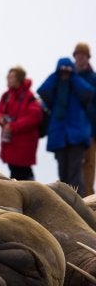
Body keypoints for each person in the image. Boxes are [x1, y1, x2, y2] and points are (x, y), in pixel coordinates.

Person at [37, 57, 95, 196]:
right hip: (59, 136)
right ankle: (66, 203)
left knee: (75, 172)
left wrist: (73, 75)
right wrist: (56, 73)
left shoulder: (78, 89)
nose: (64, 73)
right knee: (63, 174)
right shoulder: (55, 90)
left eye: (67, 70)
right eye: (61, 71)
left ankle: (79, 205)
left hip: (77, 136)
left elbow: (89, 92)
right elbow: (42, 90)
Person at [0, 66, 42, 180]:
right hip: (10, 142)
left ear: (19, 79)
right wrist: (0, 119)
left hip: (24, 143)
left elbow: (34, 117)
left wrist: (13, 126)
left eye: (12, 77)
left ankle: (32, 194)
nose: (8, 79)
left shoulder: (29, 97)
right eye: (8, 77)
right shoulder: (6, 96)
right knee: (15, 172)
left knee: (23, 173)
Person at [73, 42, 96, 196]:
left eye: (83, 55)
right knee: (75, 165)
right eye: (77, 55)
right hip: (74, 130)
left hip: (91, 130)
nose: (80, 58)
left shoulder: (93, 78)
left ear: (88, 58)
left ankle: (88, 198)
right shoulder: (69, 79)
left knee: (89, 164)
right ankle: (77, 197)